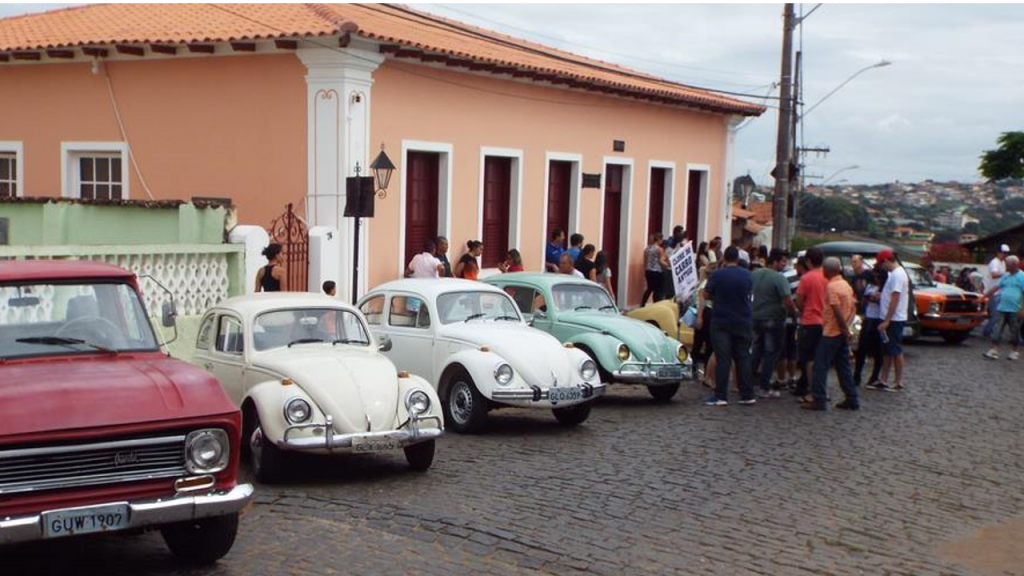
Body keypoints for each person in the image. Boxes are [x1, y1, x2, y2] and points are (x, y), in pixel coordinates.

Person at [803, 257, 859, 411]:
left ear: (826, 270)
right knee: (843, 367)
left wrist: (843, 328)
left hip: (831, 331)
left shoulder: (832, 287)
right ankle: (851, 398)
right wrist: (847, 328)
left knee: (820, 366)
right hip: (841, 332)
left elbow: (836, 309)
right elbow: (854, 307)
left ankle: (819, 399)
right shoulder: (846, 285)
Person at [702, 246, 756, 406]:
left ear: (724, 258)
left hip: (721, 320)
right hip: (743, 319)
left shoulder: (718, 275)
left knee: (723, 358)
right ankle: (747, 394)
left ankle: (720, 396)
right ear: (738, 259)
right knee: (743, 357)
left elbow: (706, 294)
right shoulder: (747, 275)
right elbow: (750, 292)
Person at [750, 248, 797, 398]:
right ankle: (764, 386)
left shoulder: (754, 274)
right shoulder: (779, 278)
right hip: (773, 319)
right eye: (783, 261)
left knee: (756, 351)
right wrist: (794, 313)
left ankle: (747, 383)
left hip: (755, 317)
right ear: (775, 261)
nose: (785, 264)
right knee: (771, 353)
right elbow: (788, 301)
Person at [873, 249, 910, 392]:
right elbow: (892, 295)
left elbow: (895, 298)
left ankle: (898, 381)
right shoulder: (895, 274)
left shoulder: (897, 275)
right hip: (891, 318)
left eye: (881, 264)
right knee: (888, 349)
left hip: (894, 319)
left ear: (886, 261)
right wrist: (882, 295)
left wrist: (887, 320)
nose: (881, 267)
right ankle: (883, 379)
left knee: (895, 350)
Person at [794, 247, 827, 400]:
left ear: (808, 261)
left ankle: (810, 390)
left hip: (809, 320)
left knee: (807, 358)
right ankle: (819, 387)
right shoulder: (828, 276)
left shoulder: (806, 278)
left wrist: (803, 309)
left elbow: (799, 300)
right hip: (825, 322)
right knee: (820, 358)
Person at [983, 255, 1024, 360]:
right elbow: (997, 287)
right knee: (997, 329)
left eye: (1008, 264)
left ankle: (1015, 351)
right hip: (1002, 307)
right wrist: (985, 296)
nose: (1006, 266)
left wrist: (1022, 309)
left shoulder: (1022, 277)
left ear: (1015, 265)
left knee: (1014, 332)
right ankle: (994, 350)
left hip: (1015, 309)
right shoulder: (1005, 276)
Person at [854, 266, 887, 388]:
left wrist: (879, 298)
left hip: (879, 318)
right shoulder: (870, 285)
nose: (876, 278)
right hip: (869, 317)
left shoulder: (886, 288)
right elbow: (864, 298)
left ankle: (875, 376)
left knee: (878, 350)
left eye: (878, 277)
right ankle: (857, 375)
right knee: (862, 349)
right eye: (874, 276)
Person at [982, 245, 1011, 339]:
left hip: (998, 292)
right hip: (992, 292)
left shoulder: (1003, 263)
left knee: (998, 315)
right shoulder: (994, 262)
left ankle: (990, 331)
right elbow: (994, 275)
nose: (1005, 255)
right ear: (998, 252)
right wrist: (1006, 273)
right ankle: (987, 331)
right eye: (1003, 253)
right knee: (996, 315)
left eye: (1006, 253)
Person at [640, 233, 668, 305]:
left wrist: (645, 271)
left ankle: (642, 304)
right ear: (659, 240)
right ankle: (656, 304)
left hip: (648, 271)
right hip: (657, 271)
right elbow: (660, 261)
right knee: (658, 290)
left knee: (649, 289)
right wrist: (667, 265)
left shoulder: (647, 249)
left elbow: (645, 261)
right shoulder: (659, 249)